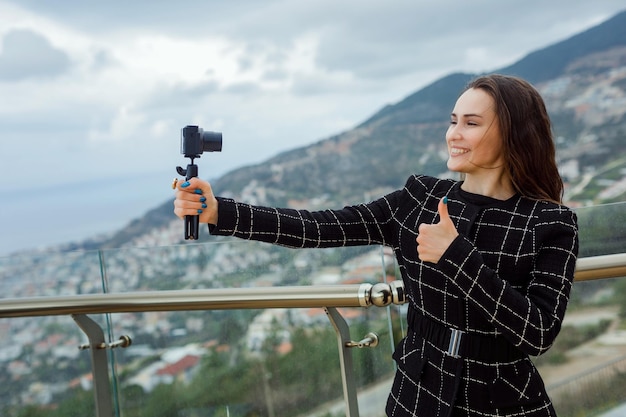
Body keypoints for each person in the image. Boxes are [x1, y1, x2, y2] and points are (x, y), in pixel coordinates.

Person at [173, 74, 579, 417]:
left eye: (471, 123)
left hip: (504, 400)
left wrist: (456, 256)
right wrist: (219, 213)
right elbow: (320, 228)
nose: (453, 134)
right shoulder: (418, 199)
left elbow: (538, 333)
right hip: (419, 393)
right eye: (453, 120)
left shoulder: (551, 223)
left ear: (513, 134)